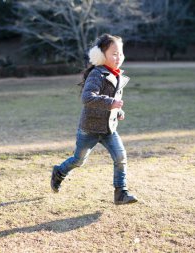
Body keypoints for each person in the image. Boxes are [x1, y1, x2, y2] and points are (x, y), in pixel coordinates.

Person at [50, 34, 138, 205]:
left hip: (108, 130)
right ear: (101, 56)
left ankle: (121, 193)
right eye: (114, 54)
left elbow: (111, 103)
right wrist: (112, 103)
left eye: (120, 53)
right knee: (78, 160)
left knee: (120, 157)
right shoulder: (97, 74)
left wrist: (117, 111)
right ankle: (59, 172)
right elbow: (87, 98)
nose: (118, 57)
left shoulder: (117, 75)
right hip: (89, 129)